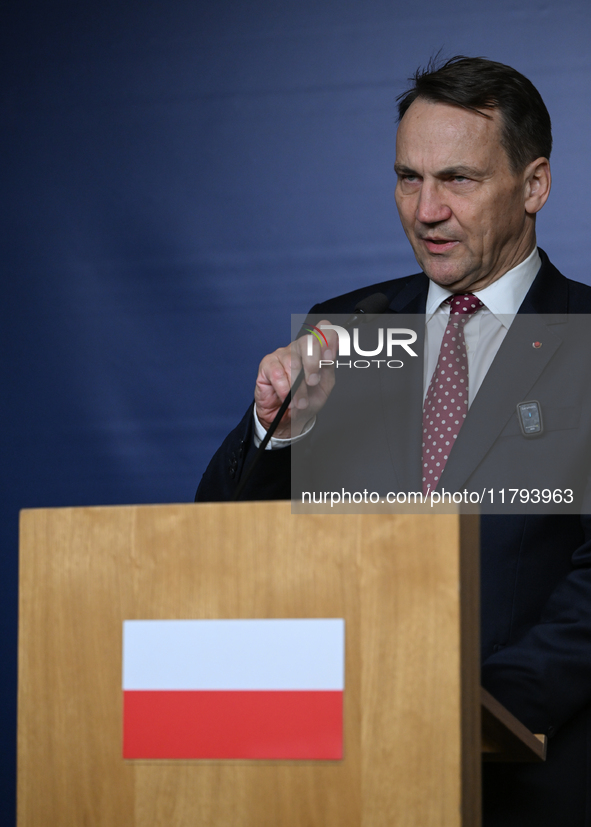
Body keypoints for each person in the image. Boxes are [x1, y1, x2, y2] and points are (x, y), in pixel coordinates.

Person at [196, 56, 591, 825]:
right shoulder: (353, 326)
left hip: (528, 775)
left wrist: (477, 710)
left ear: (534, 185)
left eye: (457, 180)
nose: (426, 208)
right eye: (408, 178)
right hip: (346, 772)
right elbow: (219, 535)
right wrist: (278, 427)